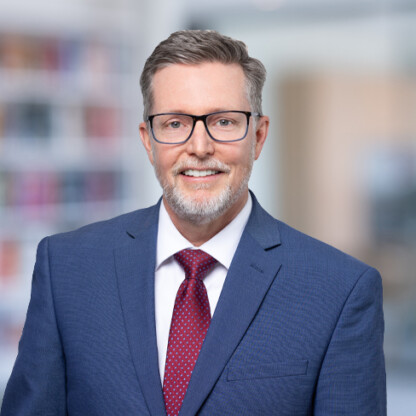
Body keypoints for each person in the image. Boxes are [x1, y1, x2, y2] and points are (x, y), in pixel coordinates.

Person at [1, 30, 386, 416]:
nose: (199, 148)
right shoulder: (67, 268)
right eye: (174, 124)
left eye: (223, 122)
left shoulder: (340, 290)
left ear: (259, 135)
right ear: (148, 140)